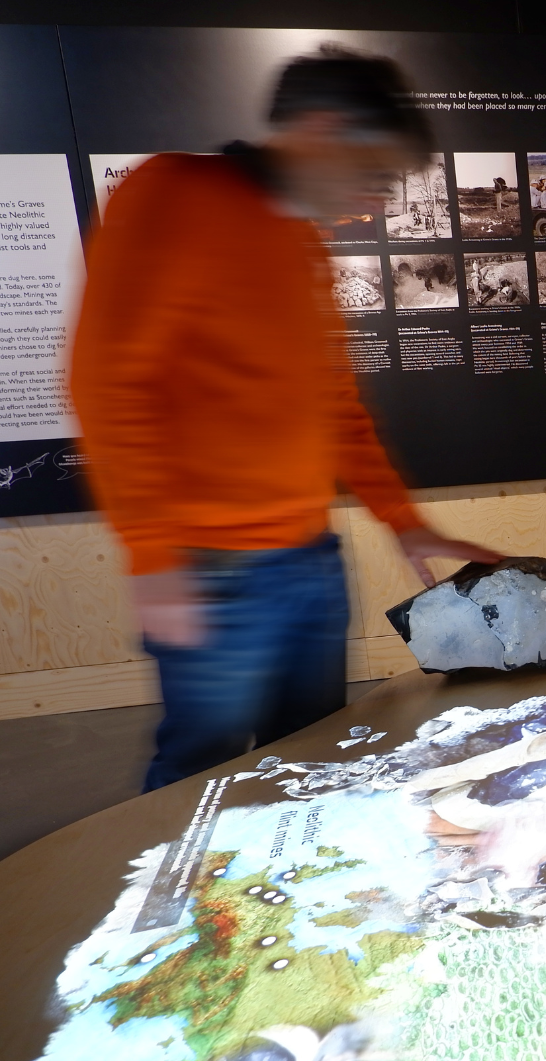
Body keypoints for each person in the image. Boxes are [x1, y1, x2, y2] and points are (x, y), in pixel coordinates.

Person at [70, 47, 502, 792]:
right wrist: (153, 556)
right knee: (199, 770)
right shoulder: (171, 194)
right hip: (212, 569)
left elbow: (335, 406)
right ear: (324, 129)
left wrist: (404, 521)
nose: (377, 198)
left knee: (311, 760)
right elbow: (106, 383)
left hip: (308, 559)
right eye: (374, 173)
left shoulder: (302, 240)